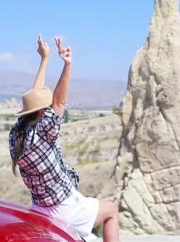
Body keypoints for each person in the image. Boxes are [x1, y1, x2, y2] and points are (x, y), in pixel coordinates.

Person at [9, 35, 119, 241]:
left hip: (41, 208)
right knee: (111, 210)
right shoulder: (44, 132)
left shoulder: (17, 134)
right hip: (64, 209)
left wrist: (45, 59)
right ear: (43, 112)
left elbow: (36, 97)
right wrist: (67, 64)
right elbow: (59, 102)